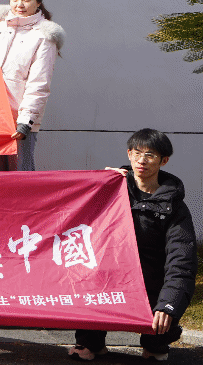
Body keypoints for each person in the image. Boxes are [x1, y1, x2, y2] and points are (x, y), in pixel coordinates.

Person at [69, 129, 195, 362]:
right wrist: (98, 182)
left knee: (156, 347)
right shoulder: (112, 188)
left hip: (150, 281)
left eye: (150, 155)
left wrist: (169, 304)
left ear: (164, 161)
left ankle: (155, 342)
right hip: (107, 275)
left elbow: (181, 261)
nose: (141, 160)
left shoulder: (174, 207)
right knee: (89, 283)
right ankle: (90, 340)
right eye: (136, 153)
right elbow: (73, 208)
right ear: (128, 154)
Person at [0, 0, 64, 172]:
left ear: (38, 2)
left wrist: (25, 121)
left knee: (20, 177)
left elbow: (39, 84)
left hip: (19, 120)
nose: (19, 4)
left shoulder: (44, 36)